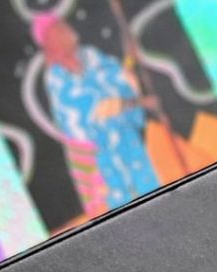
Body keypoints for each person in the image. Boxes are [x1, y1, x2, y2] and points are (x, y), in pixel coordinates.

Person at [34, 13, 160, 210]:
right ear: (50, 42)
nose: (67, 29)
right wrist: (135, 102)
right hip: (99, 159)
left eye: (63, 24)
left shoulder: (90, 55)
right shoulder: (56, 78)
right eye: (59, 28)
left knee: (153, 194)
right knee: (121, 209)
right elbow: (90, 110)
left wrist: (129, 64)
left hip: (127, 141)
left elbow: (119, 81)